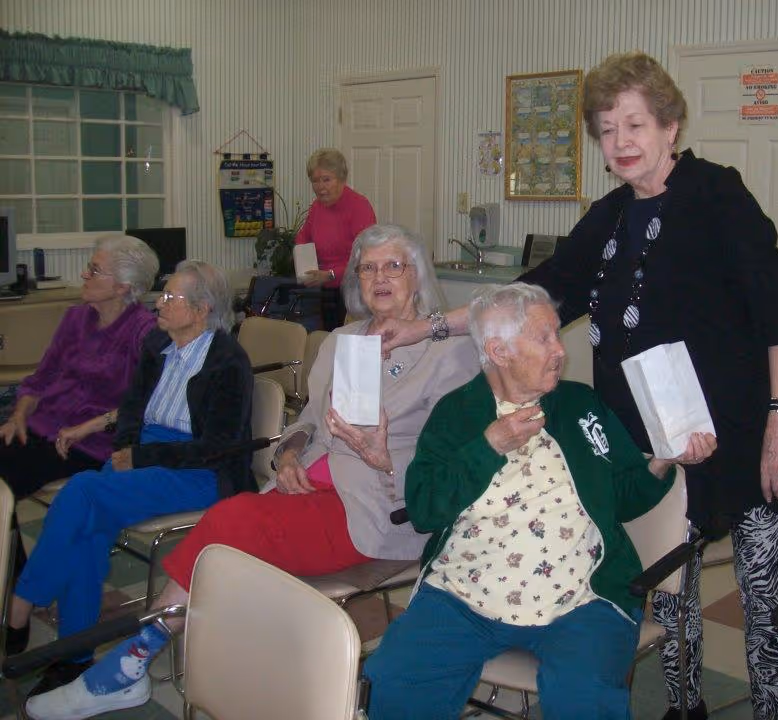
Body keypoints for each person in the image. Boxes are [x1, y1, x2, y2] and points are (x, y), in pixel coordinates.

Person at [378, 52, 778, 720]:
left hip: (742, 426)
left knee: (760, 591)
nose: (622, 143)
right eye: (608, 131)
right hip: (642, 433)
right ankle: (685, 704)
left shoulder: (716, 194)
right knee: (669, 588)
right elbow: (532, 294)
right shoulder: (611, 214)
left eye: (636, 125)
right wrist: (429, 327)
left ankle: (771, 711)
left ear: (671, 126)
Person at [25, 224, 481, 720]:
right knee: (225, 556)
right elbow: (306, 420)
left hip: (375, 507)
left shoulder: (450, 353)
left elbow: (452, 462)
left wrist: (382, 459)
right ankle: (236, 680)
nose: (379, 277)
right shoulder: (341, 341)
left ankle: (129, 663)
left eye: (394, 265)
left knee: (227, 525)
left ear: (418, 275)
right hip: (302, 487)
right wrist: (288, 455)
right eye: (368, 267)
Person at [364, 284, 715, 720]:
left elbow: (621, 499)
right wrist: (489, 446)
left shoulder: (580, 406)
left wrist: (661, 462)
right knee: (396, 678)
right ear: (499, 351)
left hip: (581, 597)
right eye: (544, 337)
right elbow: (424, 509)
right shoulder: (457, 414)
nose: (560, 351)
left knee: (582, 697)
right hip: (464, 594)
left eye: (556, 335)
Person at [9, 260, 255, 701]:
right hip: (144, 453)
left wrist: (140, 455)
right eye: (161, 294)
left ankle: (22, 603)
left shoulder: (228, 361)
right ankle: (75, 657)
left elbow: (220, 446)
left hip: (197, 470)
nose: (158, 303)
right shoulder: (158, 342)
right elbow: (131, 408)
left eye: (170, 298)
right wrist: (126, 448)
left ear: (200, 310)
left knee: (82, 491)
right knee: (87, 530)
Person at [0, 235, 158, 652]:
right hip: (42, 426)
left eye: (94, 270)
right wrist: (18, 415)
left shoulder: (143, 332)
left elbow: (140, 406)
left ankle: (14, 601)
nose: (84, 276)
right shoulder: (75, 318)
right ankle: (14, 586)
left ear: (124, 286)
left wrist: (90, 425)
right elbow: (41, 378)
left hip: (90, 446)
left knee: (4, 483)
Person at [295, 147, 377, 330]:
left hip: (355, 291)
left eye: (326, 179)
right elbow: (302, 239)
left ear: (341, 179)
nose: (320, 187)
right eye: (315, 181)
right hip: (325, 291)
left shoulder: (359, 207)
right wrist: (306, 268)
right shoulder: (317, 207)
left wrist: (331, 274)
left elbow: (367, 257)